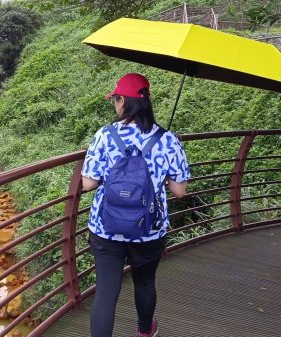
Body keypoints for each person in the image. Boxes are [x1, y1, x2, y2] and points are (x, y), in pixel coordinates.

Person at [81, 73, 191, 337]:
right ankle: (144, 331)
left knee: (106, 291)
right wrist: (161, 176)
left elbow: (88, 184)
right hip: (149, 229)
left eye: (115, 99)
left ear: (122, 102)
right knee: (144, 282)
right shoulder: (167, 139)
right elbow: (180, 191)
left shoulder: (104, 136)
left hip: (106, 228)